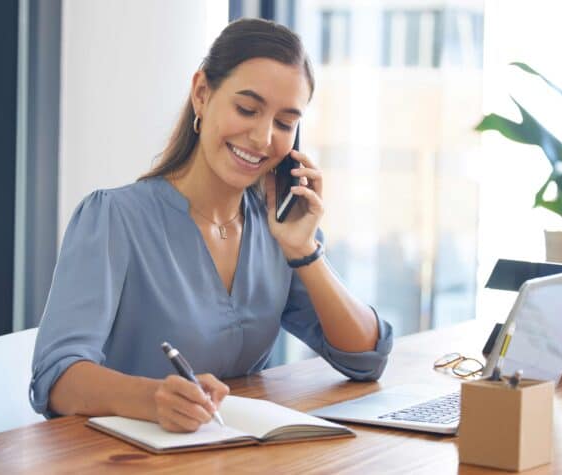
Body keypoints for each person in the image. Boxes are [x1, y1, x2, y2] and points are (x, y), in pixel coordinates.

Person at [29, 18, 393, 433]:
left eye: (285, 122)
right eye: (247, 109)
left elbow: (365, 358)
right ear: (202, 94)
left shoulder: (277, 229)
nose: (262, 137)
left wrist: (305, 251)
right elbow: (55, 377)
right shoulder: (113, 218)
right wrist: (153, 399)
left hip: (229, 453)